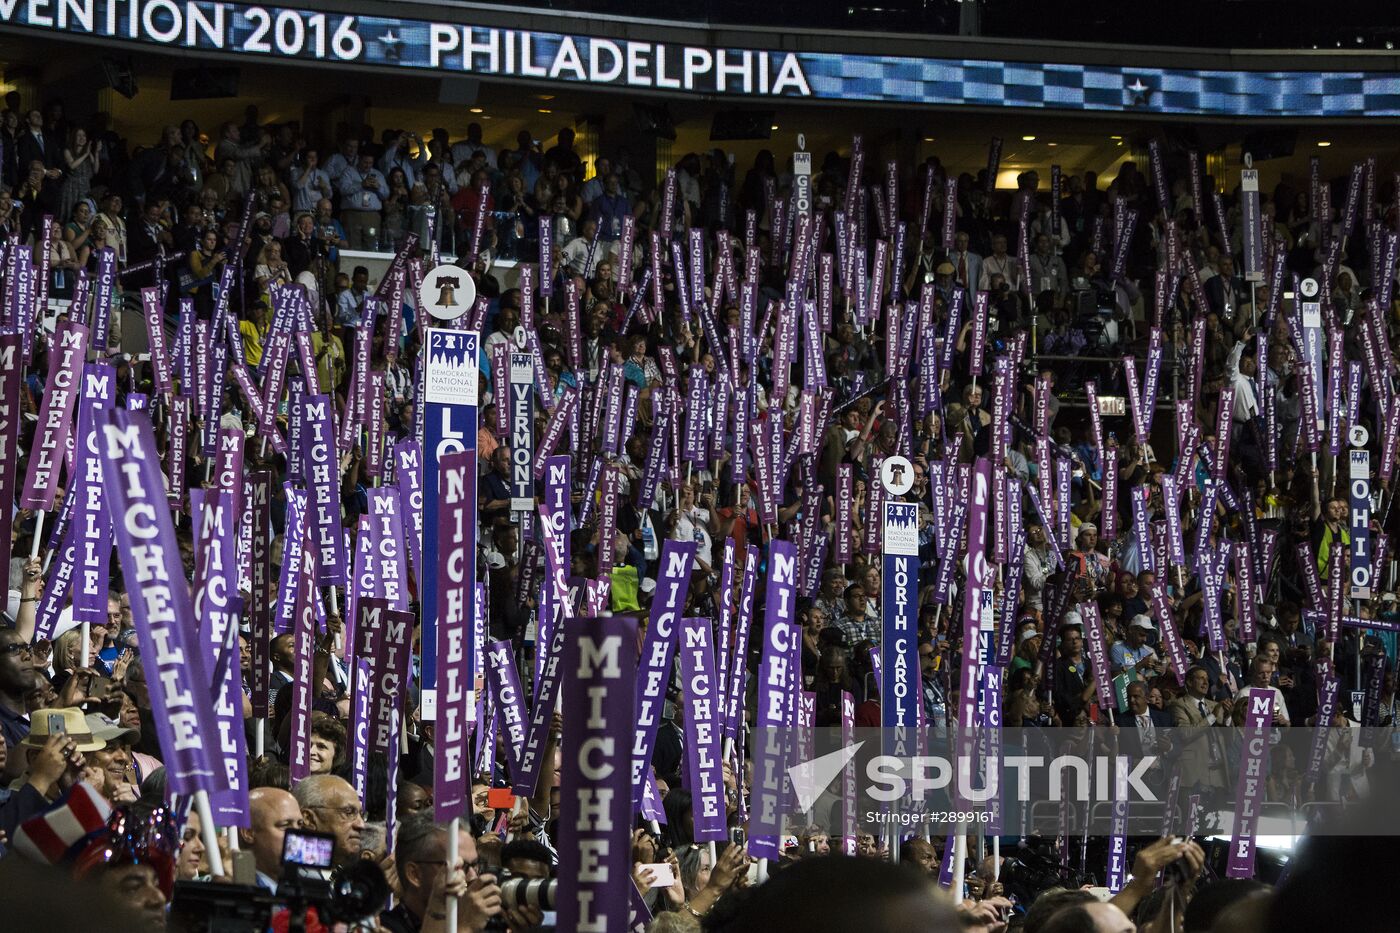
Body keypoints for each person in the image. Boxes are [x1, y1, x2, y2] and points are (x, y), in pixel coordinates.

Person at [239, 786, 303, 891]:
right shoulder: (238, 891)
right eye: (285, 826)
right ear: (248, 833)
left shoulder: (305, 886)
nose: (297, 836)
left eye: (300, 824)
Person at [293, 773, 364, 867]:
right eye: (348, 812)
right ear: (308, 818)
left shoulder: (353, 877)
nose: (361, 825)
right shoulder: (285, 877)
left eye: (361, 814)